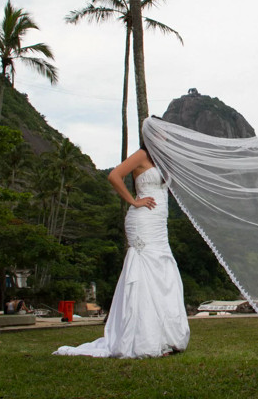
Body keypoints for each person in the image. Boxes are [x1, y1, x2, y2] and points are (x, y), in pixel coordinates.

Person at [53, 144, 190, 358]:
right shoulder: (141, 155)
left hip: (159, 223)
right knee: (146, 271)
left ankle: (166, 337)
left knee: (163, 272)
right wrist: (133, 201)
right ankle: (144, 338)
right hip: (143, 220)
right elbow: (114, 176)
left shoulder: (162, 161)